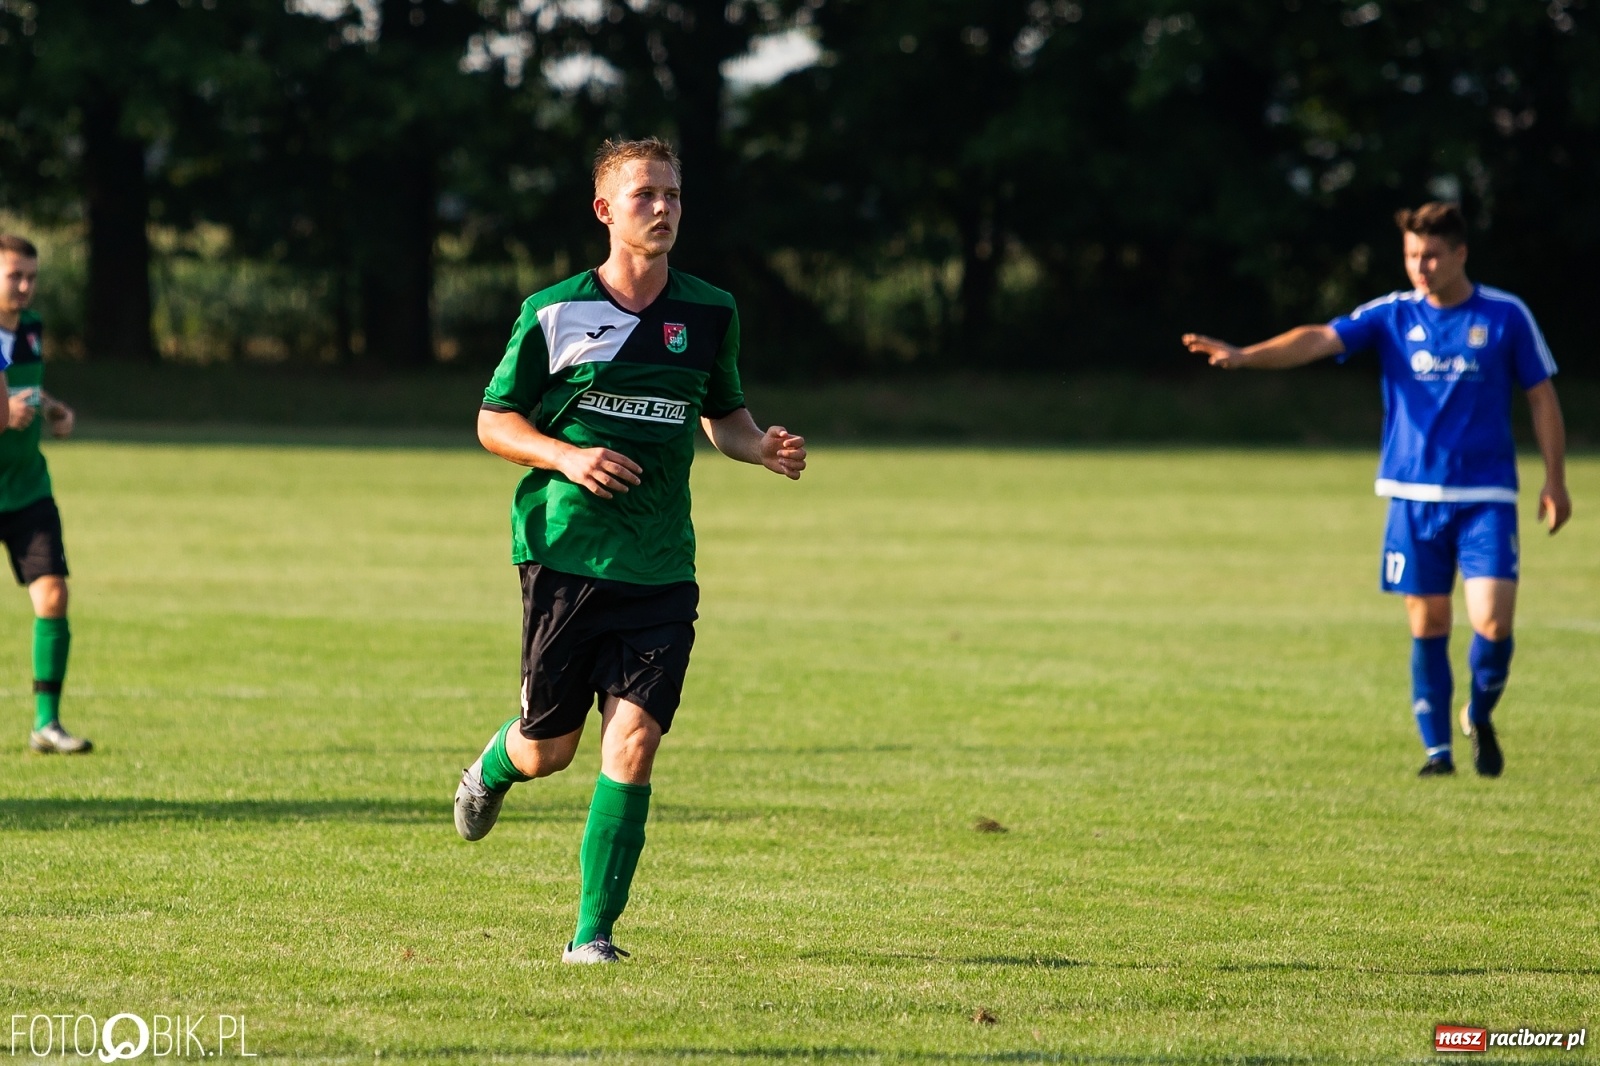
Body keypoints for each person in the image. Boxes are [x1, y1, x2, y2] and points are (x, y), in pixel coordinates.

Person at [451, 137, 807, 963]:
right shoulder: (555, 311)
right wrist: (566, 457)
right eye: (646, 194)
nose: (663, 207)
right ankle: (494, 768)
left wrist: (759, 447)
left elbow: (724, 415)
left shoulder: (710, 311)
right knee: (551, 749)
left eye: (673, 195)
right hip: (566, 555)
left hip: (660, 564)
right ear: (605, 210)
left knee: (635, 742)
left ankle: (592, 937)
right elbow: (494, 421)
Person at [1182, 202, 1570, 778]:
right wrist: (1245, 356)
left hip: (1485, 498)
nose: (1421, 267)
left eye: (1432, 255)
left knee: (1493, 624)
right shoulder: (1392, 314)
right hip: (1411, 496)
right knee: (1429, 625)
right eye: (1412, 255)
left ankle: (1479, 712)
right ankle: (1437, 754)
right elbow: (1319, 338)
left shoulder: (1505, 315)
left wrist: (1555, 480)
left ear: (1460, 254)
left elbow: (1541, 397)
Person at [0, 235, 86, 755]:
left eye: (31, 276)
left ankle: (46, 725)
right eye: (15, 275)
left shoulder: (30, 328)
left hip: (28, 488)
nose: (25, 286)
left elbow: (24, 387)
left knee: (53, 595)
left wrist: (52, 407)